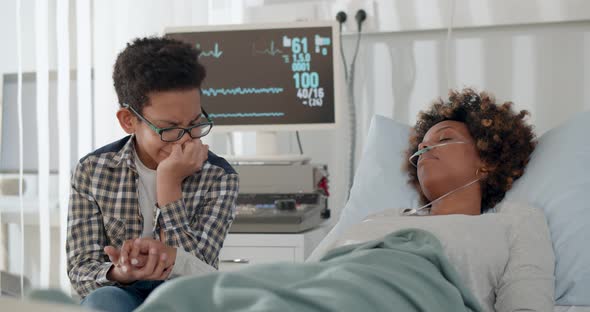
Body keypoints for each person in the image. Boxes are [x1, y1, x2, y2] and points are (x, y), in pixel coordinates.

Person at [66, 37, 239, 312]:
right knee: (102, 301)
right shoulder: (92, 171)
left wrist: (169, 185)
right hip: (119, 291)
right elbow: (80, 271)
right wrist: (119, 273)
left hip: (185, 296)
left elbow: (199, 275)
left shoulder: (218, 177)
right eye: (169, 128)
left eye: (195, 124)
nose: (185, 140)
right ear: (128, 121)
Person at [403, 88, 536, 216]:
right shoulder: (389, 220)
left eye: (444, 138)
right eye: (420, 149)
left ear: (488, 162)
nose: (423, 146)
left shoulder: (512, 228)